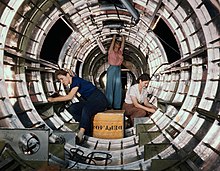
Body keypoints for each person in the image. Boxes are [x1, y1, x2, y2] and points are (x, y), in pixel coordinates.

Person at [48, 69, 108, 143]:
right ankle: (87, 127)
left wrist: (53, 99)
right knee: (73, 108)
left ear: (67, 75)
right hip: (90, 101)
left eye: (62, 79)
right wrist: (58, 97)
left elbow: (69, 97)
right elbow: (69, 96)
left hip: (99, 100)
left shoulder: (75, 81)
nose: (61, 82)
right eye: (60, 80)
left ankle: (81, 133)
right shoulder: (73, 84)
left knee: (86, 109)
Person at [106, 34, 125, 109]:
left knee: (118, 87)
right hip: (112, 69)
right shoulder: (111, 51)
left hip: (118, 69)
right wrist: (114, 37)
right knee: (110, 87)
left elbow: (122, 45)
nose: (119, 44)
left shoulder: (120, 52)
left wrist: (123, 38)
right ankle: (109, 105)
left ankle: (117, 106)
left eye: (119, 44)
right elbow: (112, 43)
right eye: (117, 43)